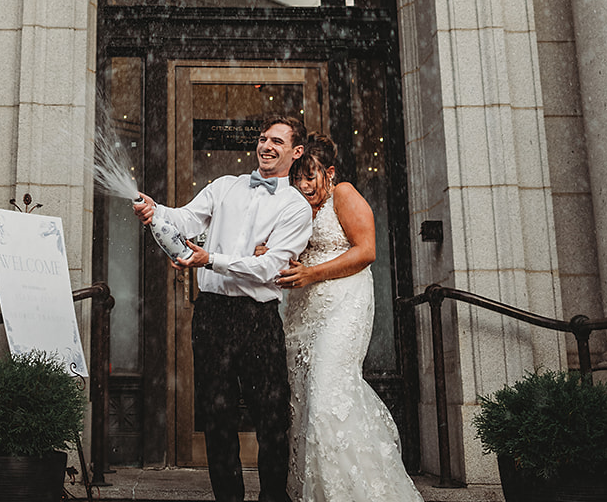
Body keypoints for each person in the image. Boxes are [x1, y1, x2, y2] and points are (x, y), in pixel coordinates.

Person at [133, 114, 314, 502]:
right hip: (212, 315)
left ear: (296, 152)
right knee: (217, 417)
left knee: (271, 419)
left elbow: (269, 268)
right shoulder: (224, 186)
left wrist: (210, 259)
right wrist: (156, 210)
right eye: (264, 139)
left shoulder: (296, 207)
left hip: (258, 319)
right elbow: (185, 217)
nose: (266, 146)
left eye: (277, 142)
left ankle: (272, 498)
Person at [277, 134, 421, 502]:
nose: (303, 185)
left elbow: (366, 250)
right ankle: (318, 491)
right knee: (306, 400)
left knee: (329, 394)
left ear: (329, 173)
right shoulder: (298, 207)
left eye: (310, 176)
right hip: (303, 312)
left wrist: (312, 273)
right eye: (297, 178)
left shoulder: (343, 193)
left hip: (344, 305)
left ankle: (358, 492)